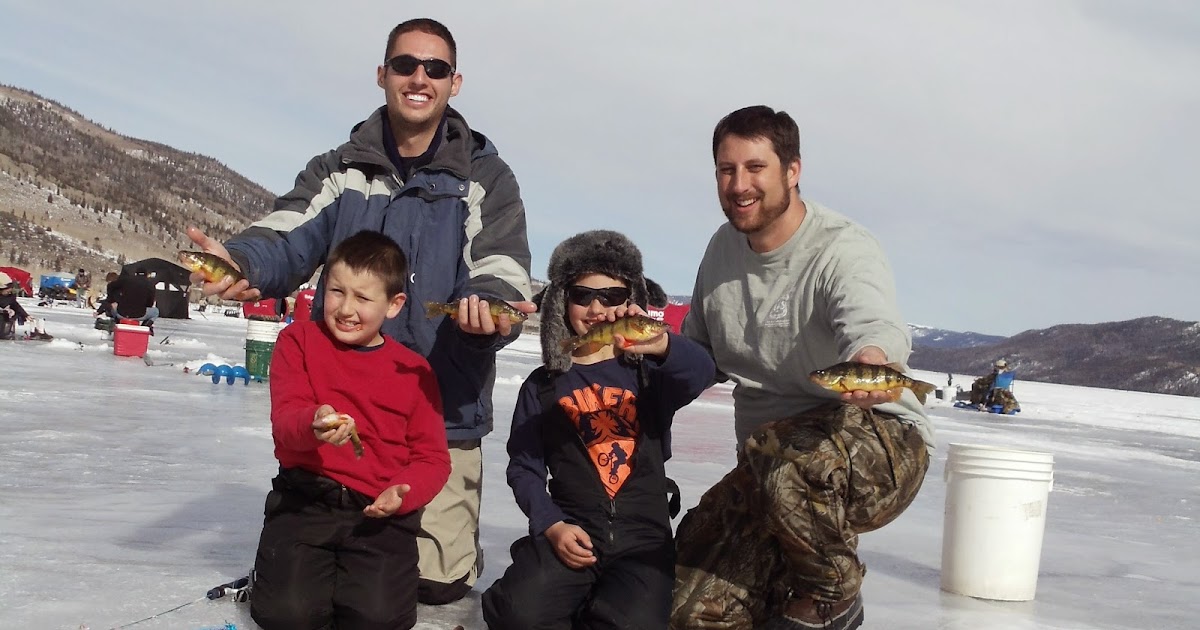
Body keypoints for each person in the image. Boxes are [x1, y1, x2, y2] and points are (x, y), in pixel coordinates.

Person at [185, 18, 533, 603]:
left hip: (438, 413)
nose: (419, 77)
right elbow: (287, 233)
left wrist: (492, 309)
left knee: (435, 586)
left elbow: (501, 264)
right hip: (340, 409)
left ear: (455, 83)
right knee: (314, 576)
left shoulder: (485, 179)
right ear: (383, 74)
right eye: (405, 65)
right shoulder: (339, 168)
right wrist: (243, 261)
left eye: (435, 68)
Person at [670, 106, 935, 630]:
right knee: (685, 606)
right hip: (771, 467)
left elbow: (872, 320)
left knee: (787, 458)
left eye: (755, 167)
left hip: (879, 443)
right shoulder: (721, 250)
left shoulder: (841, 246)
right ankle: (780, 588)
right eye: (726, 170)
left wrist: (872, 356)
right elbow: (698, 356)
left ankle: (832, 596)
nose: (739, 185)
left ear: (792, 170)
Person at [482, 230, 715, 629]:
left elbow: (702, 372)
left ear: (631, 302)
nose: (595, 307)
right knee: (518, 613)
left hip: (644, 538)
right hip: (573, 527)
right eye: (582, 295)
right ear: (561, 301)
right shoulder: (543, 385)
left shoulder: (650, 375)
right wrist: (551, 524)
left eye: (611, 296)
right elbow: (524, 467)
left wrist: (660, 345)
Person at [250, 230, 451, 630]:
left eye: (362, 297)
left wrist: (403, 492)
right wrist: (312, 422)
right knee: (288, 615)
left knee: (377, 619)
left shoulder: (414, 370)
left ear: (394, 305)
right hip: (306, 501)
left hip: (377, 515)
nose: (345, 308)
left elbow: (432, 457)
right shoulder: (299, 341)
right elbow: (286, 421)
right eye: (337, 291)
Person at [0, 274, 30, 340]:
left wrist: (25, 315)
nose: (9, 293)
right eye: (7, 291)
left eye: (10, 291)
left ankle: (5, 331)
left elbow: (15, 305)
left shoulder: (9, 297)